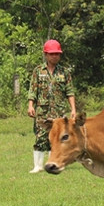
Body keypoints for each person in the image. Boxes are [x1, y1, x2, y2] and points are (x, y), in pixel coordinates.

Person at [27, 39, 77, 173]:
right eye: (52, 54)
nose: (55, 56)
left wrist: (73, 109)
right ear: (46, 55)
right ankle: (37, 166)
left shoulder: (64, 72)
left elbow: (70, 92)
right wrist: (30, 105)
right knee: (40, 136)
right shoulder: (38, 71)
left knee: (57, 138)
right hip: (42, 110)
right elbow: (33, 90)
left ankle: (53, 162)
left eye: (57, 54)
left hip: (58, 111)